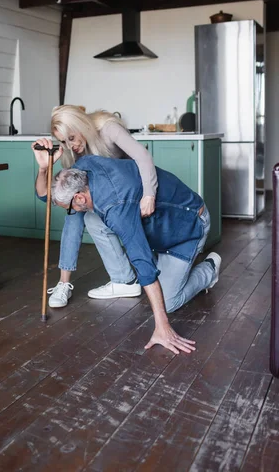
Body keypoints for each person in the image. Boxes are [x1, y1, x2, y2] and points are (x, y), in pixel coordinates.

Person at [50, 155, 222, 355]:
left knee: (169, 302)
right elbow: (50, 195)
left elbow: (143, 264)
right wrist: (45, 167)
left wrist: (162, 327)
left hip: (186, 229)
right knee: (93, 219)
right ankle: (124, 281)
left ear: (80, 197)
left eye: (70, 209)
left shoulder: (117, 208)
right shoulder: (84, 167)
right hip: (157, 228)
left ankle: (209, 268)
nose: (72, 212)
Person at [32, 105, 158, 309]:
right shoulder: (73, 153)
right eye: (63, 141)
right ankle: (64, 283)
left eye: (71, 138)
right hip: (103, 201)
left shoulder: (108, 129)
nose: (69, 145)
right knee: (73, 212)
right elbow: (46, 196)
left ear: (81, 125)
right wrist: (44, 169)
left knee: (85, 215)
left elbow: (142, 156)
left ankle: (124, 280)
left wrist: (149, 195)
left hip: (129, 195)